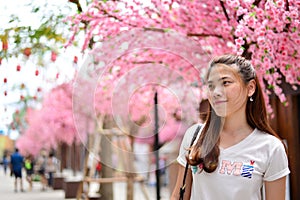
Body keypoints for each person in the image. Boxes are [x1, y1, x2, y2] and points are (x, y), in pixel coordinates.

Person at [171, 55, 290, 200]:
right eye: (211, 86)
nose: (216, 92)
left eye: (225, 83)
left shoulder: (270, 148)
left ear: (250, 88)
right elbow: (178, 195)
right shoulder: (194, 136)